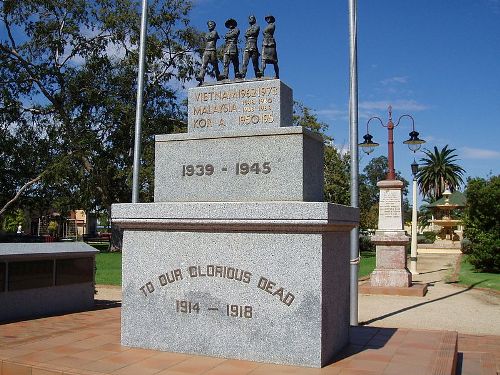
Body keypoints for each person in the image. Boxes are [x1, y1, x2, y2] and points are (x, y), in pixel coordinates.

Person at [196, 20, 221, 85]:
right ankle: (201, 76)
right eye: (209, 24)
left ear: (214, 25)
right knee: (204, 64)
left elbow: (211, 37)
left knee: (215, 65)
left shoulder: (215, 32)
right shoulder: (207, 34)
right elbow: (207, 37)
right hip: (206, 50)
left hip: (212, 50)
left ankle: (218, 77)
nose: (210, 26)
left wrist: (208, 37)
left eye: (211, 24)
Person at [261, 15, 279, 79]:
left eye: (269, 18)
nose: (268, 19)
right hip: (265, 42)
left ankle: (277, 74)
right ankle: (261, 73)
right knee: (263, 59)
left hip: (270, 43)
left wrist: (264, 33)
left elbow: (269, 30)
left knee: (274, 61)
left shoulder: (272, 25)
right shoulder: (267, 26)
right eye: (267, 18)